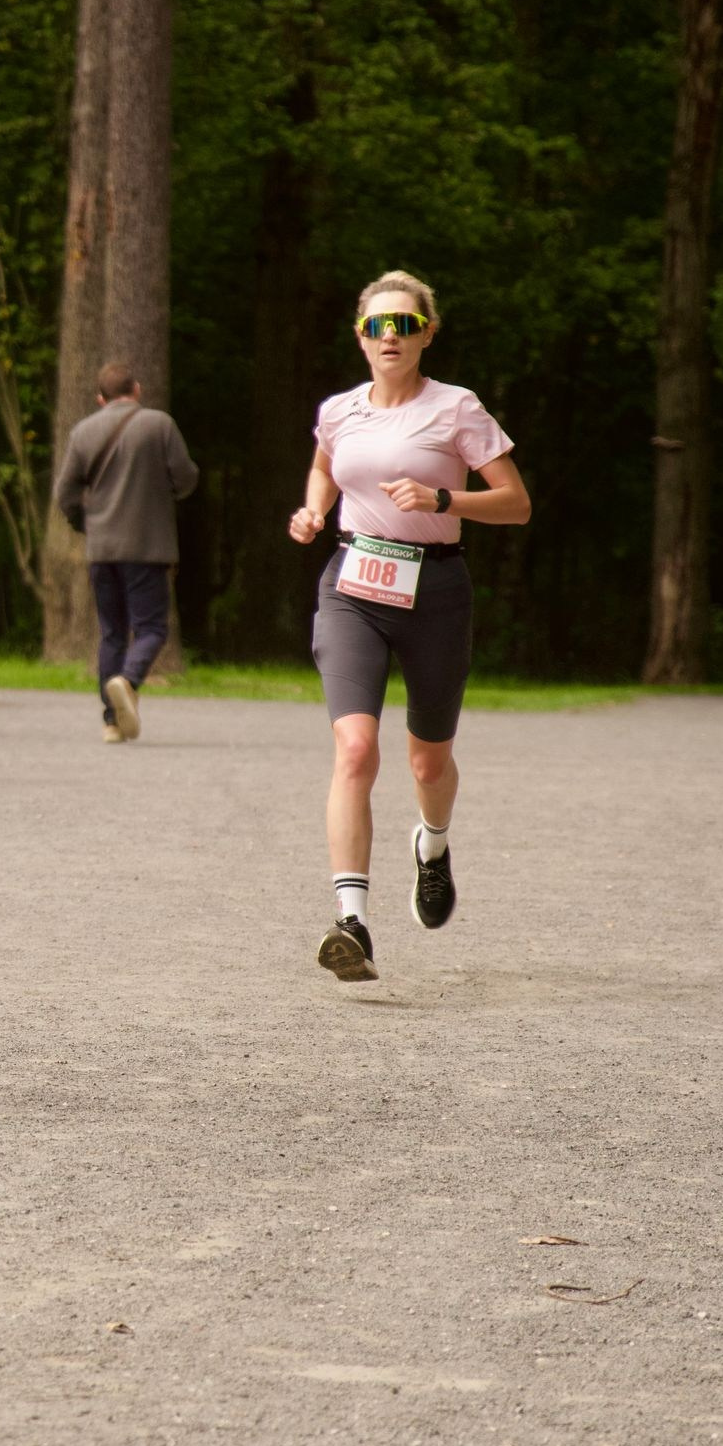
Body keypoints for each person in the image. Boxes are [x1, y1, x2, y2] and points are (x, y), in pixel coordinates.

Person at [286, 270, 531, 983]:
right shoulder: (339, 410)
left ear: (427, 332)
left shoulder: (457, 409)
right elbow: (324, 469)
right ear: (359, 336)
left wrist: (442, 495)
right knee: (356, 749)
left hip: (436, 588)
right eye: (376, 325)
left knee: (427, 761)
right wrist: (311, 512)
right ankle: (351, 922)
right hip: (353, 585)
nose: (389, 336)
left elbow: (515, 503)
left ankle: (432, 845)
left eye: (404, 324)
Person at [53, 361, 198, 743]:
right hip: (147, 547)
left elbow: (64, 493)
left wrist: (86, 524)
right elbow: (185, 478)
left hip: (102, 549)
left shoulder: (83, 431)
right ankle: (128, 680)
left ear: (100, 399)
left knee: (112, 633)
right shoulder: (159, 425)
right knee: (150, 628)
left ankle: (111, 722)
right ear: (137, 389)